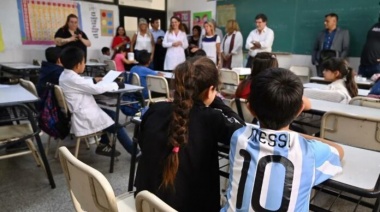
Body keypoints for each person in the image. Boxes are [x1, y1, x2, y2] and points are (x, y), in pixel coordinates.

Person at [221, 68, 344, 212]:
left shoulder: (239, 137)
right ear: (300, 110)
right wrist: (294, 134)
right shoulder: (309, 151)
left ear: (250, 108)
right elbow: (339, 151)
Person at [135, 56, 245, 211]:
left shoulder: (155, 110)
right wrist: (215, 101)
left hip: (147, 204)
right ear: (210, 91)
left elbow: (142, 142)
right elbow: (242, 129)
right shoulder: (213, 118)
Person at [59, 46, 135, 157]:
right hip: (85, 115)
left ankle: (103, 144)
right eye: (84, 62)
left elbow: (82, 83)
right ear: (77, 65)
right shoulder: (74, 79)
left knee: (112, 115)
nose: (85, 64)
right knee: (118, 127)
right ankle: (135, 152)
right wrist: (116, 85)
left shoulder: (65, 75)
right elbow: (96, 89)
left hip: (83, 110)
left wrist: (93, 80)